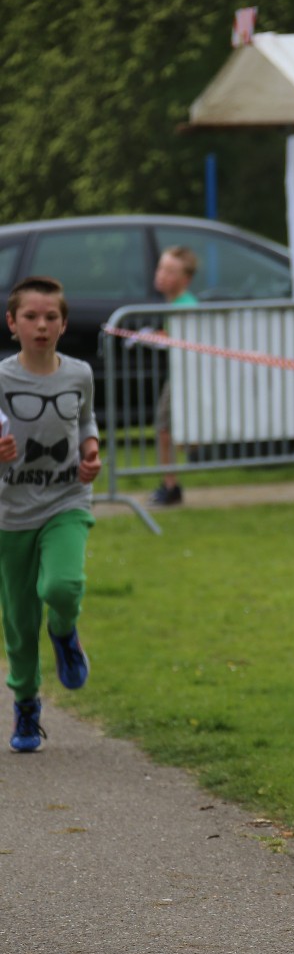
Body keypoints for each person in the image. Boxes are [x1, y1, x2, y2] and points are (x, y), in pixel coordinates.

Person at [0, 276, 101, 753]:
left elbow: (86, 419)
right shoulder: (1, 379)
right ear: (12, 322)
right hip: (10, 511)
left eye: (50, 317)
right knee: (20, 622)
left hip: (66, 499)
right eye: (30, 317)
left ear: (63, 324)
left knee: (62, 586)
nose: (41, 326)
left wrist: (91, 450)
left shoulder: (79, 373)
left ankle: (63, 632)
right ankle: (26, 703)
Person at [149, 245, 199, 506]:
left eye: (170, 271)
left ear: (185, 279)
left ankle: (170, 487)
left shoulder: (186, 306)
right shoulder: (175, 304)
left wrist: (158, 338)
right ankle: (170, 483)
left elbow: (187, 340)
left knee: (164, 429)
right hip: (181, 374)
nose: (162, 275)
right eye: (161, 268)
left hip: (185, 376)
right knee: (167, 429)